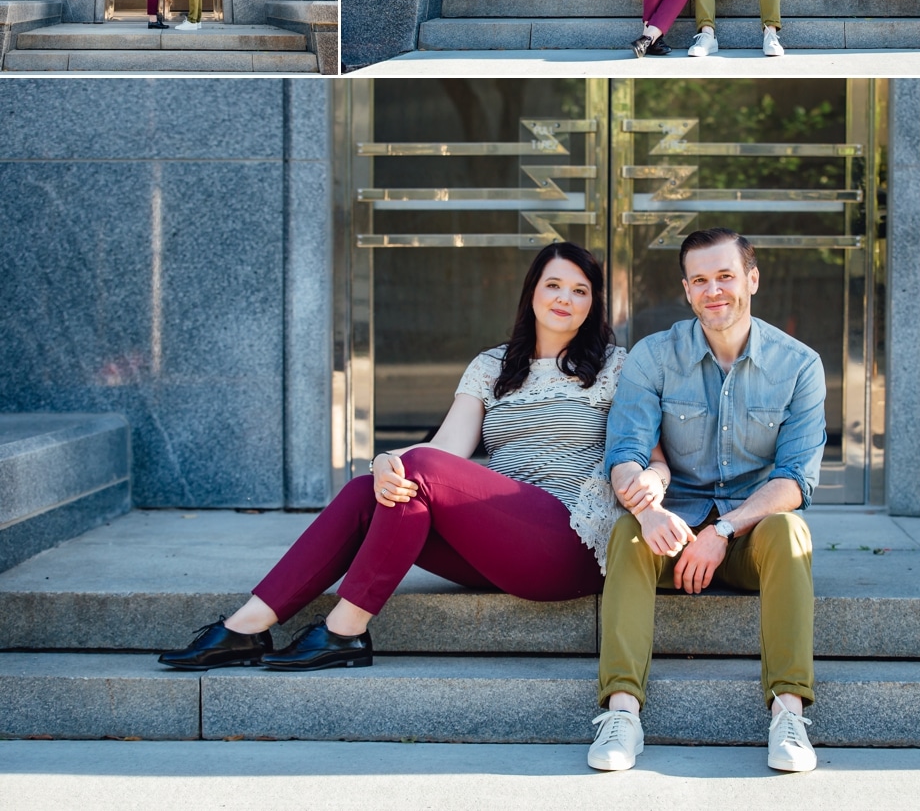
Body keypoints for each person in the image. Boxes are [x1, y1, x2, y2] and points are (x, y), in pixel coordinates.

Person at [159, 242, 666, 672]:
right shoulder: (491, 366)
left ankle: (344, 629)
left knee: (414, 473)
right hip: (497, 548)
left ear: (593, 303)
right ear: (532, 290)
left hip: (571, 542)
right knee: (369, 489)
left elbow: (648, 453)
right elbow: (447, 448)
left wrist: (655, 490)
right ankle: (246, 626)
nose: (565, 299)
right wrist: (385, 460)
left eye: (580, 291)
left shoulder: (617, 367)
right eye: (554, 285)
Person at [587, 227, 826, 775]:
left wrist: (725, 531)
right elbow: (623, 452)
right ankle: (622, 715)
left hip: (750, 537)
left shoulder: (799, 365)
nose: (714, 290)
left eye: (725, 276)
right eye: (700, 280)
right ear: (687, 289)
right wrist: (647, 509)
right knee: (626, 531)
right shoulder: (652, 357)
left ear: (752, 280)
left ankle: (788, 715)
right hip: (673, 527)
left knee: (790, 530)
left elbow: (795, 481)